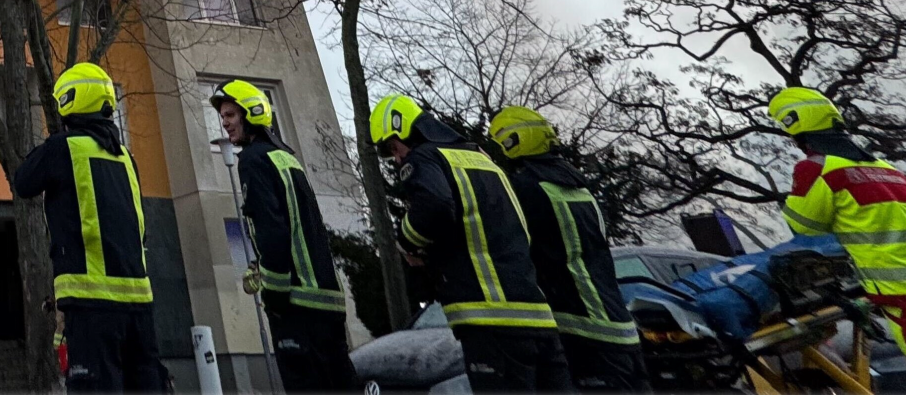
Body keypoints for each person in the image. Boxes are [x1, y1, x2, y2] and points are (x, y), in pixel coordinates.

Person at [374, 92, 572, 394]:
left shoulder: (425, 157)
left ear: (404, 129)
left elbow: (435, 207)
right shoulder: (483, 159)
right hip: (538, 319)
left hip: (490, 320)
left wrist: (407, 243)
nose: (398, 158)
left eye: (394, 147)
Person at [14, 62, 166, 392]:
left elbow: (23, 182)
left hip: (91, 306)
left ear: (70, 101)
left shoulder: (62, 149)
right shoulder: (127, 158)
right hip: (140, 306)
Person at [488, 106, 649, 392]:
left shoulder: (525, 189)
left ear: (513, 142)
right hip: (620, 327)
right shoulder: (579, 186)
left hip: (581, 331)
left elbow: (505, 248)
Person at [212, 79, 358, 392]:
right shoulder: (286, 158)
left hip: (297, 304)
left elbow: (272, 228)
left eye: (230, 116)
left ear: (250, 114)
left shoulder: (252, 159)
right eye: (223, 117)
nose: (225, 123)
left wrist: (273, 291)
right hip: (327, 301)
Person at [769, 86, 906, 353]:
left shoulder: (817, 169)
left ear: (798, 128)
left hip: (898, 292)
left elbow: (805, 230)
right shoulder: (890, 171)